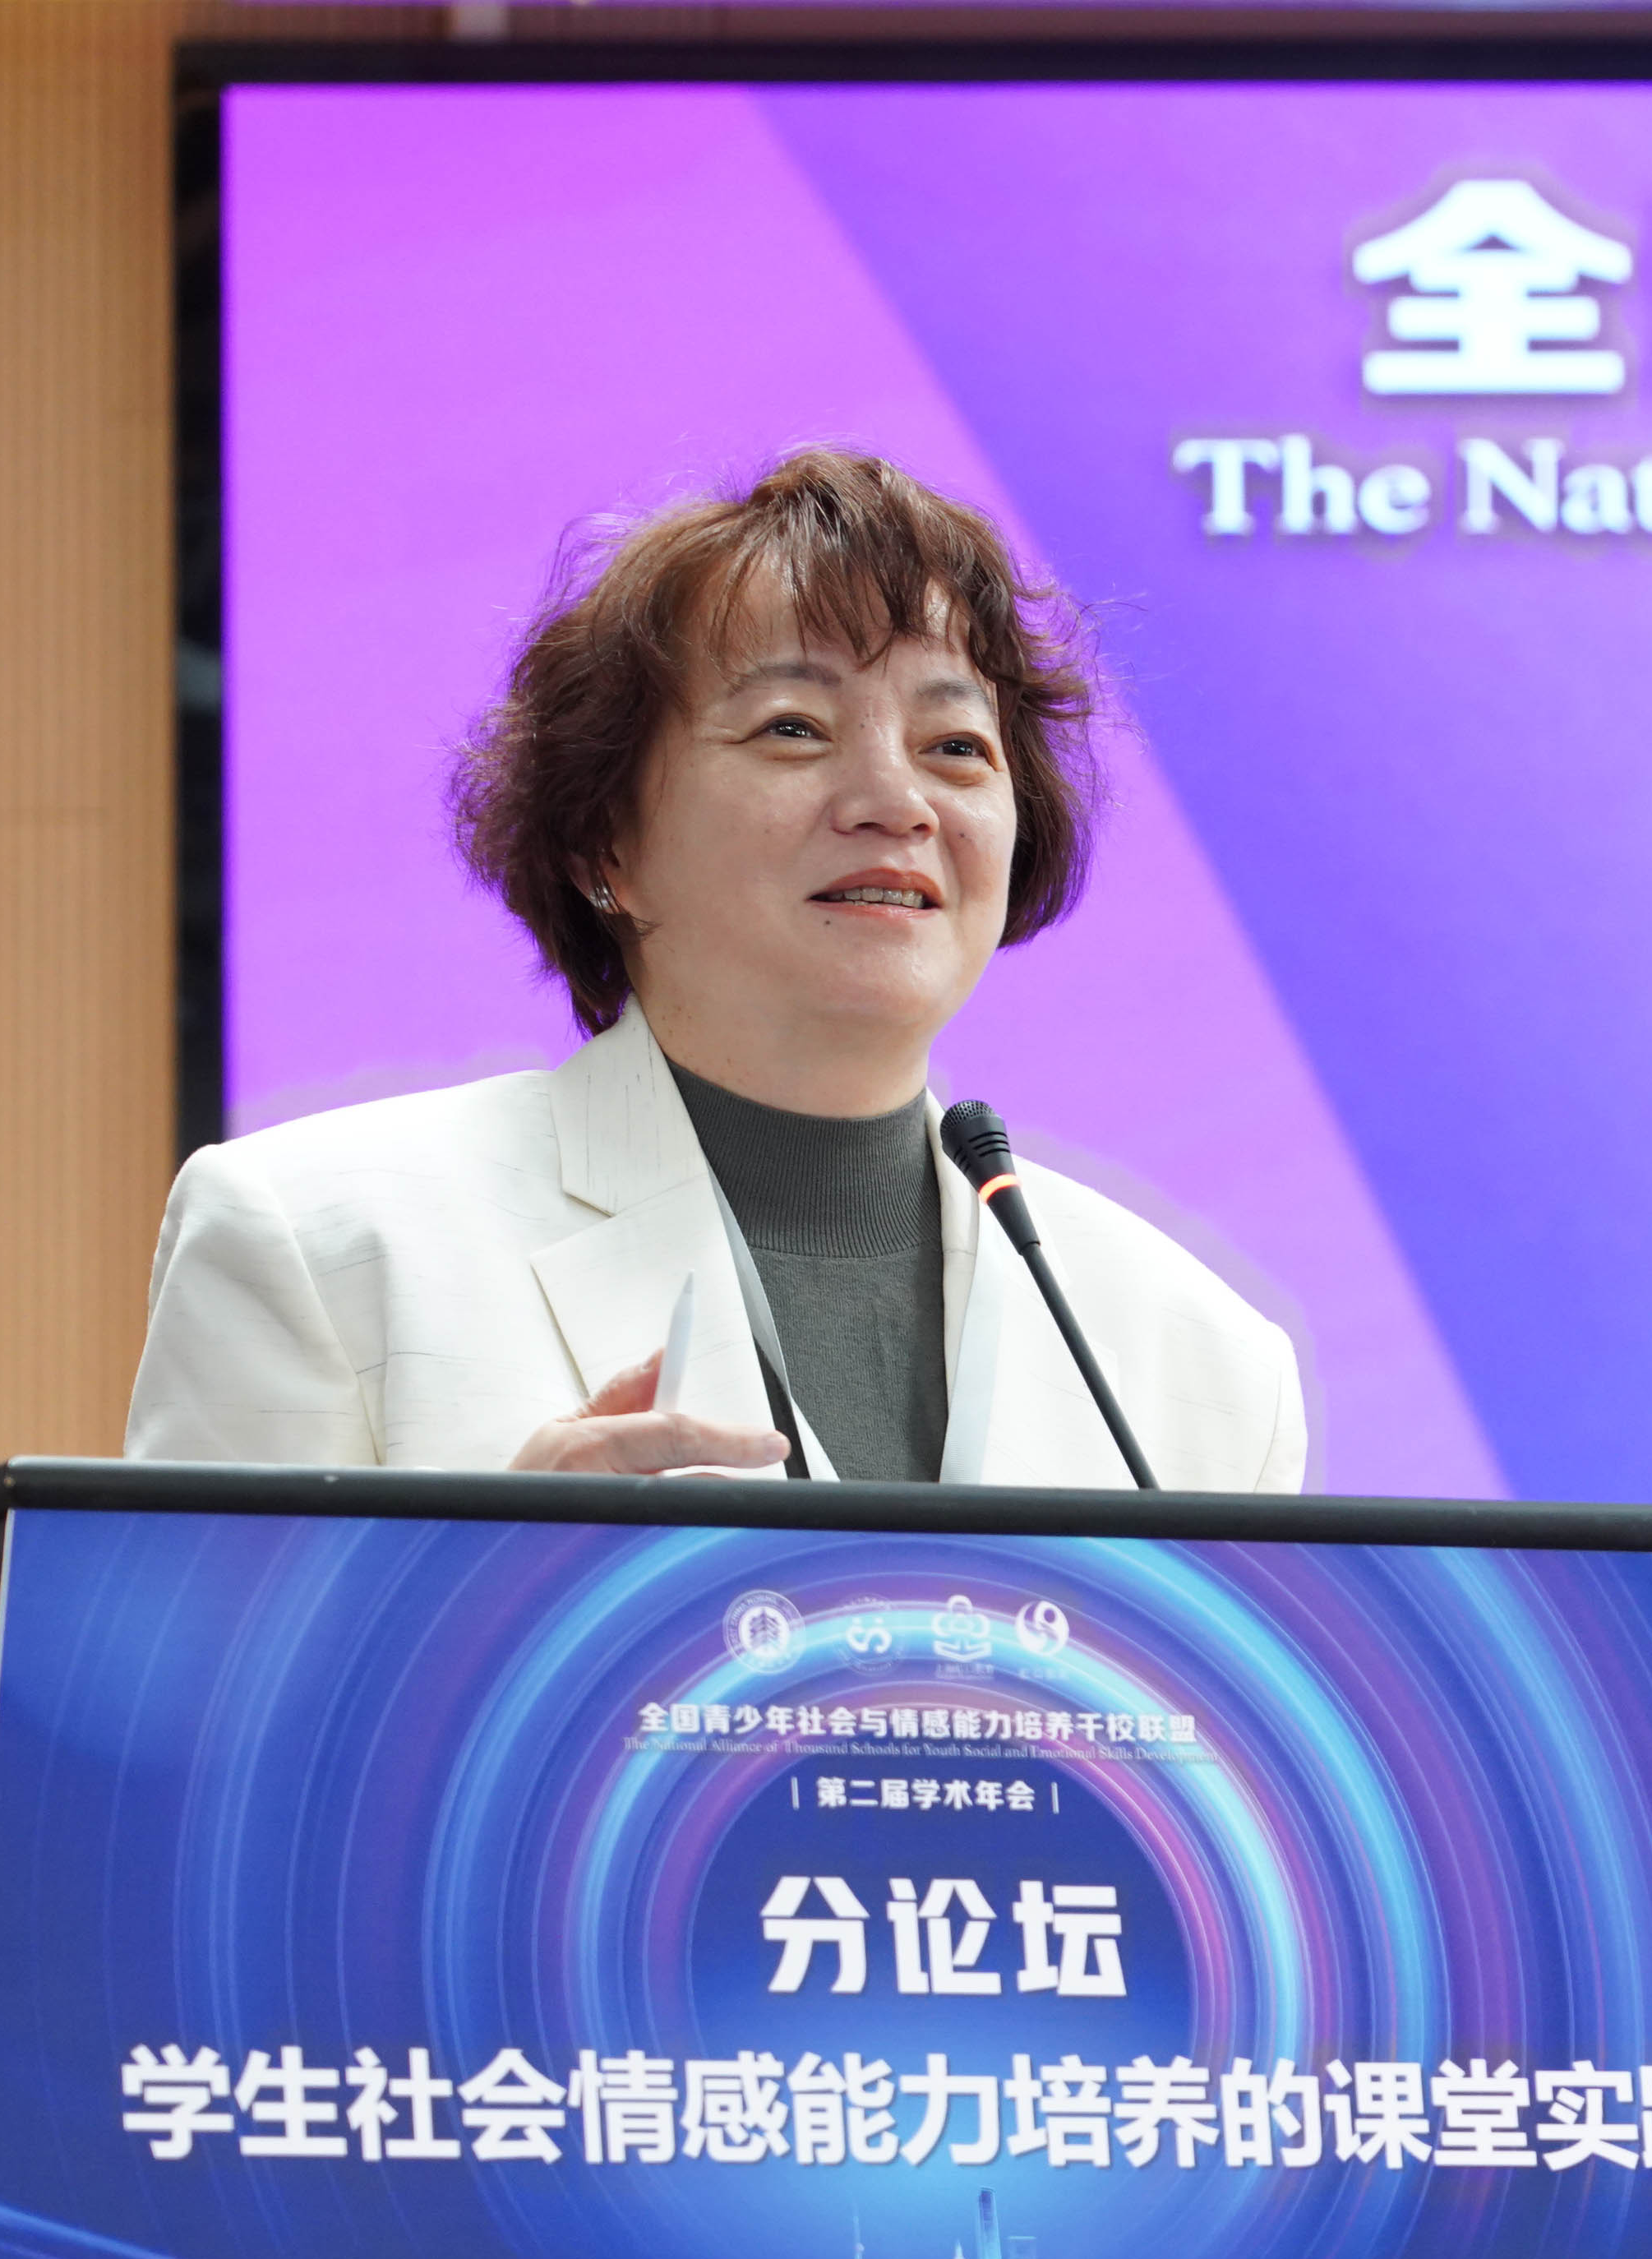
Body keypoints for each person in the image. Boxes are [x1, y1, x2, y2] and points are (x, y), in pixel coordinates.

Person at [127, 448, 1304, 1488]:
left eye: (956, 746)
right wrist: (487, 1595)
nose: (896, 801)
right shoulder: (321, 1245)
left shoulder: (1203, 1366)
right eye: (793, 728)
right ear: (606, 846)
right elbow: (196, 1681)